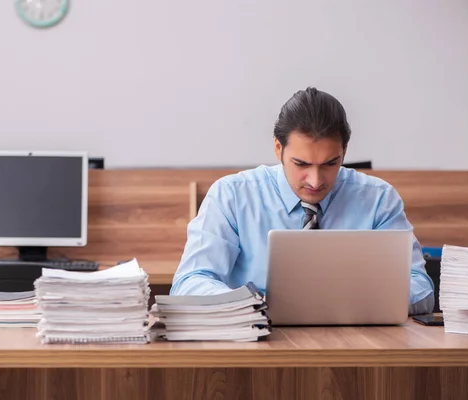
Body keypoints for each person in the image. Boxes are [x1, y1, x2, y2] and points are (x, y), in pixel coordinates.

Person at [170, 87, 434, 315]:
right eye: (301, 164)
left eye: (331, 163)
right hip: (258, 349)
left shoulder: (378, 199)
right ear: (278, 148)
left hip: (357, 349)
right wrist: (247, 304)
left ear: (345, 152)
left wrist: (355, 303)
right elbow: (190, 282)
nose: (315, 180)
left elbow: (420, 287)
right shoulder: (232, 195)